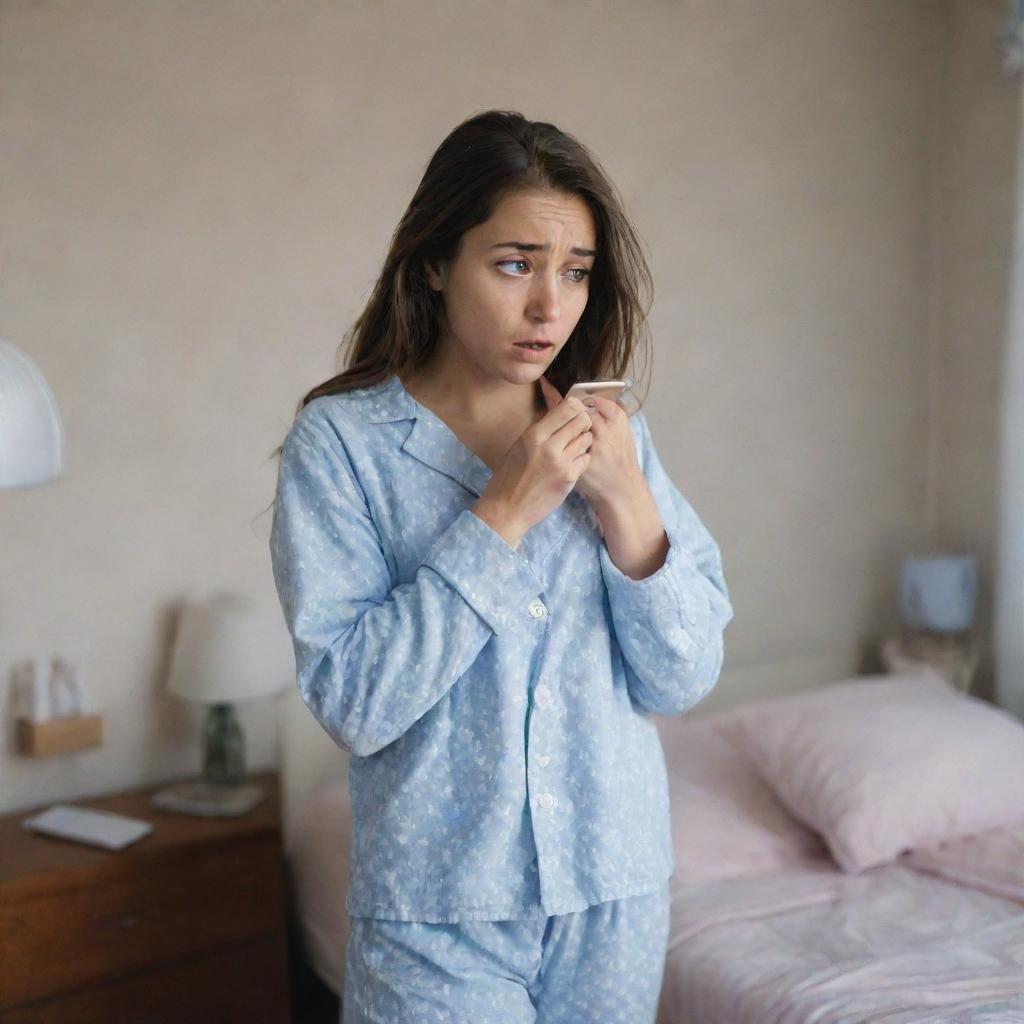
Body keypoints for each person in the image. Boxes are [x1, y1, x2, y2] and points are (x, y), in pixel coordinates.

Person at [269, 109, 734, 1024]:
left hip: (616, 889)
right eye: (515, 264)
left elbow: (683, 677)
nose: (549, 308)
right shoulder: (342, 447)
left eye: (574, 273)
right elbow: (356, 703)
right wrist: (503, 512)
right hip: (437, 910)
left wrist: (626, 502)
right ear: (436, 262)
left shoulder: (612, 432)